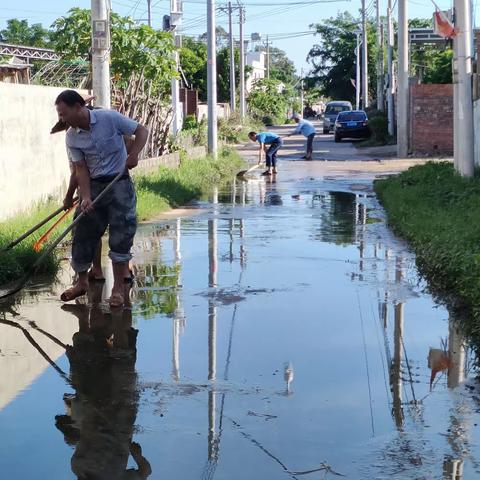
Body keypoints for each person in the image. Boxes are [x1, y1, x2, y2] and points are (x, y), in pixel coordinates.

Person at [55, 89, 149, 308]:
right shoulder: (71, 137)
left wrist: (134, 154)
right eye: (60, 114)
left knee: (121, 235)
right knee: (82, 230)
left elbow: (142, 130)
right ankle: (82, 282)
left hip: (119, 183)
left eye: (64, 113)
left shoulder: (109, 118)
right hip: (95, 186)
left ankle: (117, 289)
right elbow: (80, 169)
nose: (62, 119)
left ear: (79, 107)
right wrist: (85, 197)